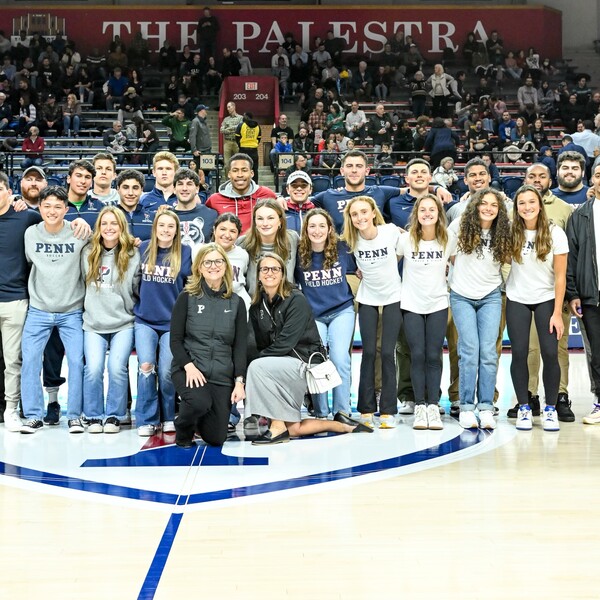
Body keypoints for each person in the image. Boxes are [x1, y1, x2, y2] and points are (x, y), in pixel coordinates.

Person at [245, 252, 371, 444]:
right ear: (259, 274)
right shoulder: (257, 307)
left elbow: (286, 343)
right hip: (279, 365)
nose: (270, 273)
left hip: (305, 364)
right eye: (265, 269)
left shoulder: (296, 299)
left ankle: (277, 428)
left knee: (256, 366)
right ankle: (340, 426)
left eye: (275, 269)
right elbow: (262, 344)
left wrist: (258, 360)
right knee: (294, 429)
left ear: (283, 273)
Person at [20, 186, 89, 434]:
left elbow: (102, 241)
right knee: (29, 361)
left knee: (77, 362)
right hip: (39, 310)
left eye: (58, 206)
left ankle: (74, 416)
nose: (52, 211)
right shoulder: (30, 234)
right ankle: (33, 415)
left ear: (66, 210)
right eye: (47, 206)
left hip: (72, 310)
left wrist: (84, 223)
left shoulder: (78, 231)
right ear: (40, 208)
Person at [170, 243, 246, 447]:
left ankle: (201, 416)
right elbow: (175, 340)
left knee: (216, 438)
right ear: (200, 268)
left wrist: (239, 381)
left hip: (221, 375)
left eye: (218, 261)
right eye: (208, 262)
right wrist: (188, 366)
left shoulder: (237, 302)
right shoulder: (187, 297)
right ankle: (183, 428)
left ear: (226, 266)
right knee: (199, 402)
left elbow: (239, 346)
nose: (214, 266)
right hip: (191, 369)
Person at [506, 185, 568, 431]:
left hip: (546, 299)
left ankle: (550, 409)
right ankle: (524, 407)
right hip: (517, 298)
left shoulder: (555, 233)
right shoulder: (511, 232)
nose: (527, 207)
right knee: (519, 353)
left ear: (540, 205)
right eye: (521, 203)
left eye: (531, 202)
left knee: (550, 353)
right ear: (516, 207)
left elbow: (561, 277)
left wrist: (557, 313)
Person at [449, 187, 512, 430]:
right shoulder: (458, 227)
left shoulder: (502, 230)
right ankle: (466, 407)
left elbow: (508, 258)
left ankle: (485, 406)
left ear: (499, 210)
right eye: (483, 203)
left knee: (488, 352)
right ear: (475, 205)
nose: (488, 208)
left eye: (494, 205)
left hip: (491, 296)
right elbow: (447, 254)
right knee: (469, 350)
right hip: (462, 296)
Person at [342, 195, 403, 429]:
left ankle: (388, 409)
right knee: (368, 353)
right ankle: (366, 408)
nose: (360, 217)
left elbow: (407, 247)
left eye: (364, 212)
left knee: (387, 352)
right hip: (367, 298)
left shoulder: (390, 232)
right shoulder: (351, 239)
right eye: (355, 214)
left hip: (393, 298)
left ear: (373, 212)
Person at [398, 194, 456, 429]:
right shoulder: (406, 239)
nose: (428, 213)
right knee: (417, 354)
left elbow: (457, 263)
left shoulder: (448, 238)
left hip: (438, 303)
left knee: (434, 355)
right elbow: (389, 263)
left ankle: (433, 405)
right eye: (423, 210)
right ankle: (420, 405)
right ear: (416, 214)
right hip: (411, 303)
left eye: (432, 209)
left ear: (439, 214)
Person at [82, 207, 141, 433]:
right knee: (93, 369)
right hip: (93, 323)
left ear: (121, 227)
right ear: (98, 227)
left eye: (114, 223)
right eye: (104, 223)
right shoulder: (88, 252)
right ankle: (94, 415)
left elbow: (137, 288)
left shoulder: (133, 254)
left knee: (117, 368)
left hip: (123, 322)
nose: (109, 228)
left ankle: (115, 415)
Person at [134, 210, 192, 436]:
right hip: (145, 320)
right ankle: (147, 419)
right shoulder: (143, 249)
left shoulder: (185, 253)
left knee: (167, 371)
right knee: (146, 366)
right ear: (155, 227)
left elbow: (190, 287)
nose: (166, 230)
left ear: (177, 230)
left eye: (171, 226)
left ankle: (169, 415)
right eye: (162, 225)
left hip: (172, 323)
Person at [295, 209, 355, 417]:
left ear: (330, 228)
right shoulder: (299, 252)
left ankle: (342, 411)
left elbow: (360, 268)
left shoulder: (342, 248)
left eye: (322, 226)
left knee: (339, 358)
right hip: (314, 315)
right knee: (316, 360)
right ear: (306, 229)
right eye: (312, 226)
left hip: (341, 311)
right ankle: (320, 411)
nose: (317, 230)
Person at [0, 172, 42, 431]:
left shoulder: (26, 216)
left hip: (15, 300)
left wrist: (79, 223)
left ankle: (12, 408)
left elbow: (53, 223)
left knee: (13, 360)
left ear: (7, 190)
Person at [567, 162, 600, 425]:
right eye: (599, 175)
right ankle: (599, 401)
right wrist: (573, 293)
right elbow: (572, 257)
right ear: (592, 180)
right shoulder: (580, 215)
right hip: (591, 295)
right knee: (597, 352)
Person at [238, 198, 299, 297]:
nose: (265, 223)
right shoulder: (242, 243)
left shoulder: (292, 239)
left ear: (280, 221)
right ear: (255, 222)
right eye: (260, 218)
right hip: (254, 305)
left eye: (270, 218)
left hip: (286, 302)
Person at [205, 153, 277, 233]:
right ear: (229, 174)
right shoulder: (214, 199)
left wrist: (281, 199)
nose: (240, 175)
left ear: (252, 173)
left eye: (244, 170)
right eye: (235, 171)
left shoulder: (266, 194)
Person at [235, 113, 261, 183]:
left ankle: (243, 183)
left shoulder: (241, 125)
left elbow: (237, 137)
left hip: (243, 149)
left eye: (244, 115)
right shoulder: (257, 126)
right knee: (254, 169)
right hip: (254, 150)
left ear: (247, 117)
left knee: (242, 168)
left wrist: (240, 144)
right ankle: (255, 185)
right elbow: (259, 138)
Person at [220, 101, 243, 166]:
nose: (228, 109)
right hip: (227, 142)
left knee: (239, 161)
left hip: (237, 142)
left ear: (234, 107)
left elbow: (240, 127)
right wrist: (232, 129)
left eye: (229, 107)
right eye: (227, 107)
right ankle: (228, 176)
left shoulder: (240, 118)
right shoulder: (226, 119)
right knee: (227, 163)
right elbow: (221, 130)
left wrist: (228, 128)